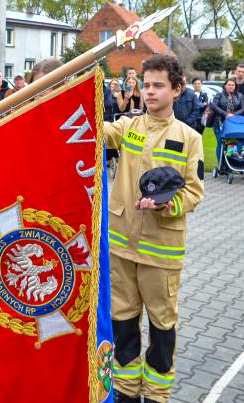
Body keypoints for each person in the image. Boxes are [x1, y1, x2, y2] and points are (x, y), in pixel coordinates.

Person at [102, 54, 204, 403]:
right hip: (120, 246)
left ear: (177, 89)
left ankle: (157, 395)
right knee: (124, 324)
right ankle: (127, 391)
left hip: (161, 251)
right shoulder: (128, 127)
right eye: (145, 85)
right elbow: (93, 132)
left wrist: (165, 204)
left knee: (162, 327)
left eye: (158, 85)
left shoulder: (189, 138)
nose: (150, 92)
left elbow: (193, 191)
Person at [209, 79, 244, 168]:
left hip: (233, 124)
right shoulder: (219, 95)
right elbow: (214, 106)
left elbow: (243, 108)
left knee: (232, 143)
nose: (231, 86)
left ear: (235, 86)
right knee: (221, 143)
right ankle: (221, 165)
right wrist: (225, 114)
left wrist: (233, 115)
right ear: (225, 86)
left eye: (233, 85)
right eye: (229, 85)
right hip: (219, 122)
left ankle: (231, 164)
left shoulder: (239, 96)